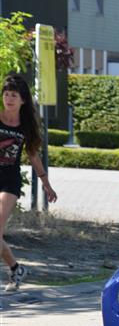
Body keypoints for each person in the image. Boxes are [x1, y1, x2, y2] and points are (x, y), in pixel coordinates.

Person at [0, 74, 57, 291]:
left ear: (23, 100)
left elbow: (33, 155)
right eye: (6, 95)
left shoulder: (25, 127)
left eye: (14, 95)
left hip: (9, 182)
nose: (9, 99)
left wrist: (46, 184)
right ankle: (16, 269)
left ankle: (15, 270)